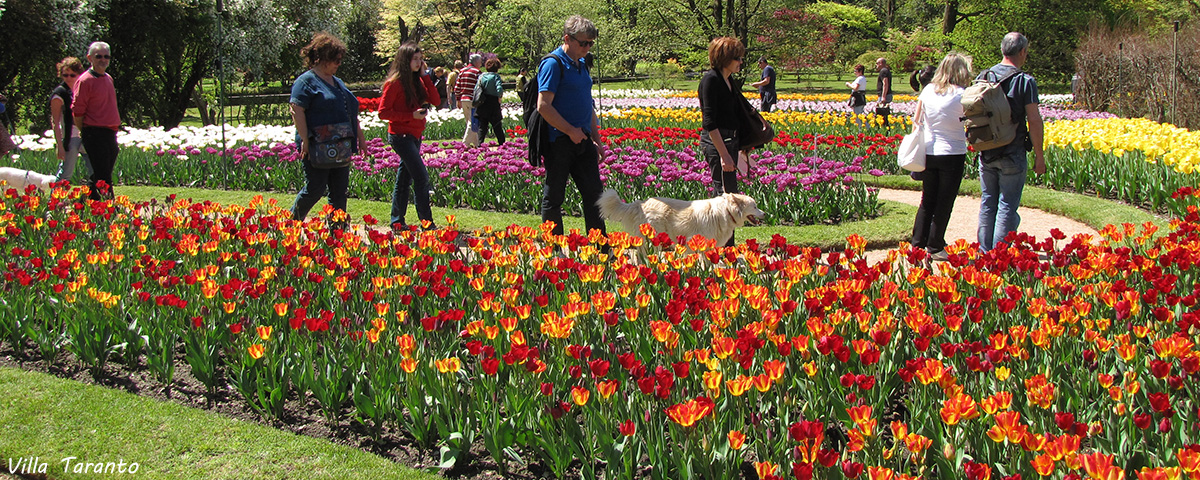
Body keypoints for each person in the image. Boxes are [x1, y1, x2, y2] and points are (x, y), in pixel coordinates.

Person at [536, 15, 607, 239]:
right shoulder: (553, 64)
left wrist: (596, 139)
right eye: (583, 42)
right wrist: (569, 131)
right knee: (554, 196)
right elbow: (543, 106)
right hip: (559, 141)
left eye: (591, 43)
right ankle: (554, 249)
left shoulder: (583, 63)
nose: (587, 47)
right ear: (567, 38)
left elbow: (588, 106)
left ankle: (600, 249)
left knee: (595, 195)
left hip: (583, 138)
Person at [288, 32, 367, 228]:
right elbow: (296, 109)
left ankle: (337, 233)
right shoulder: (305, 82)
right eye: (336, 59)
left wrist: (361, 138)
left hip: (341, 144)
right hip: (316, 145)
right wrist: (305, 139)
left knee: (339, 191)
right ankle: (291, 224)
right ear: (322, 58)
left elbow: (350, 109)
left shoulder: (337, 82)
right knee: (315, 188)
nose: (339, 63)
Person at [977, 32, 1044, 253]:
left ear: (1002, 50)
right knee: (1006, 205)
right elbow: (1034, 120)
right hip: (1012, 152)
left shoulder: (984, 76)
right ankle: (999, 256)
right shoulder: (1025, 81)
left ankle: (984, 252)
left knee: (988, 203)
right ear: (1023, 52)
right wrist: (1039, 156)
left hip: (986, 150)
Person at [910, 53, 973, 261]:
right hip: (952, 152)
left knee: (927, 200)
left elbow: (916, 120)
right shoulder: (962, 95)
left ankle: (917, 244)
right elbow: (970, 122)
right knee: (944, 202)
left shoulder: (928, 90)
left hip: (929, 150)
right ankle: (935, 245)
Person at [699, 37, 759, 247]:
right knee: (726, 198)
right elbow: (709, 122)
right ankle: (724, 249)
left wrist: (741, 146)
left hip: (731, 142)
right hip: (718, 144)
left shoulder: (729, 80)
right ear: (724, 57)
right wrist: (724, 155)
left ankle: (725, 247)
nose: (741, 62)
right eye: (737, 57)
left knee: (730, 194)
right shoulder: (711, 80)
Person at [379, 42, 440, 231]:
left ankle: (397, 221)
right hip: (400, 136)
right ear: (405, 60)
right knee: (421, 177)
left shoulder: (418, 81)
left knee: (404, 179)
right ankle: (426, 223)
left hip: (415, 135)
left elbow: (437, 101)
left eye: (421, 59)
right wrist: (410, 116)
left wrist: (425, 76)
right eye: (415, 59)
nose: (419, 62)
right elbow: (383, 113)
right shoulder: (394, 83)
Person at [72, 41, 121, 200]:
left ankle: (82, 205)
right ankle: (109, 209)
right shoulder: (85, 80)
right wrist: (84, 132)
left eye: (106, 56)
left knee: (102, 174)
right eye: (98, 56)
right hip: (94, 132)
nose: (103, 60)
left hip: (109, 132)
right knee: (104, 176)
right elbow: (77, 110)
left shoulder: (108, 78)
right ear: (90, 58)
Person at [51, 57, 90, 183]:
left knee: (95, 171)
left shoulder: (84, 89)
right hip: (70, 137)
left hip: (86, 135)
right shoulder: (59, 94)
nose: (68, 78)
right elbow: (55, 122)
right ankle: (55, 201)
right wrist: (60, 145)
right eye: (65, 75)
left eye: (72, 75)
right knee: (66, 174)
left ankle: (95, 200)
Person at [474, 58, 505, 146]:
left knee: (482, 126)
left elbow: (476, 88)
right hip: (493, 103)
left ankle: (479, 144)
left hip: (483, 102)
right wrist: (499, 97)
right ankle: (502, 143)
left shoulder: (481, 76)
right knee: (497, 125)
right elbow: (499, 89)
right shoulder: (496, 77)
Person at [454, 54, 483, 145]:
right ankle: (464, 144)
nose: (481, 63)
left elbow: (457, 87)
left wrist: (458, 100)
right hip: (472, 99)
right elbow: (479, 87)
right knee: (473, 122)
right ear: (476, 62)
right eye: (480, 61)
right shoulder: (477, 72)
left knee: (469, 122)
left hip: (463, 99)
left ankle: (476, 143)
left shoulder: (462, 71)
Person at [874, 57, 893, 126]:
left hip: (885, 95)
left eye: (877, 63)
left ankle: (884, 128)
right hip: (887, 94)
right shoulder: (886, 70)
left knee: (882, 114)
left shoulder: (883, 71)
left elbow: (885, 83)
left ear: (881, 63)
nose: (876, 65)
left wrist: (883, 96)